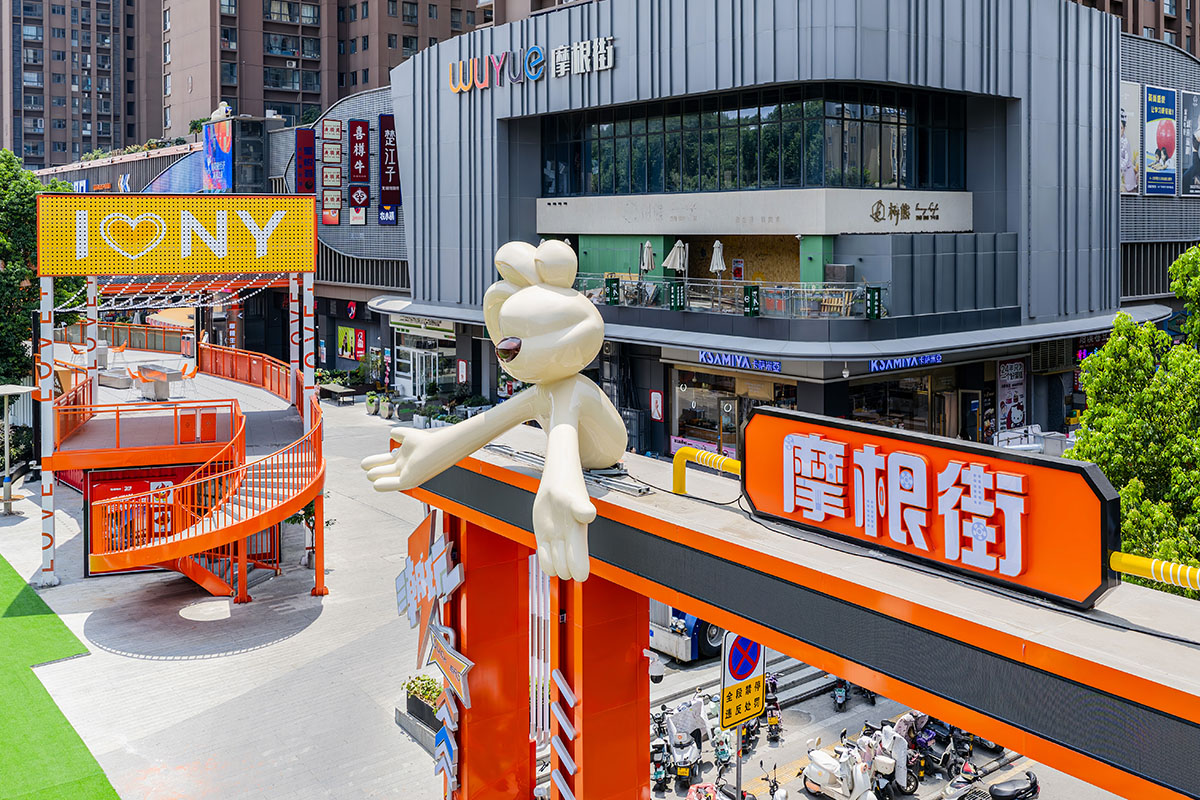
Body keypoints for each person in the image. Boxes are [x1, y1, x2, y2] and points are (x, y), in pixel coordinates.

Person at [1120, 108, 1139, 192]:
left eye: (1121, 128)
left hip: (1126, 177)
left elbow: (1125, 162)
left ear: (1124, 128)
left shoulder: (1125, 142)